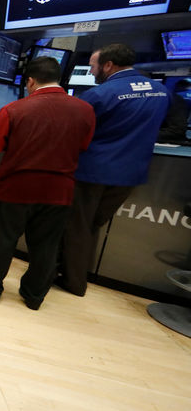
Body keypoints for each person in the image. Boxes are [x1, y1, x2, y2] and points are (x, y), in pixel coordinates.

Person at [0, 58, 95, 310]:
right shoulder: (85, 110)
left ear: (30, 81)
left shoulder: (14, 110)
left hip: (16, 188)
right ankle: (34, 295)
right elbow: (85, 146)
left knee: (4, 239)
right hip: (59, 191)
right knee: (47, 245)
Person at [58, 43, 170, 296]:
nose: (92, 70)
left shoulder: (101, 94)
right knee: (92, 225)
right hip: (130, 174)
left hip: (92, 172)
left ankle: (73, 283)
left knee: (78, 226)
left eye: (94, 66)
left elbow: (73, 130)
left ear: (108, 65)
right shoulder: (161, 91)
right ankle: (71, 271)